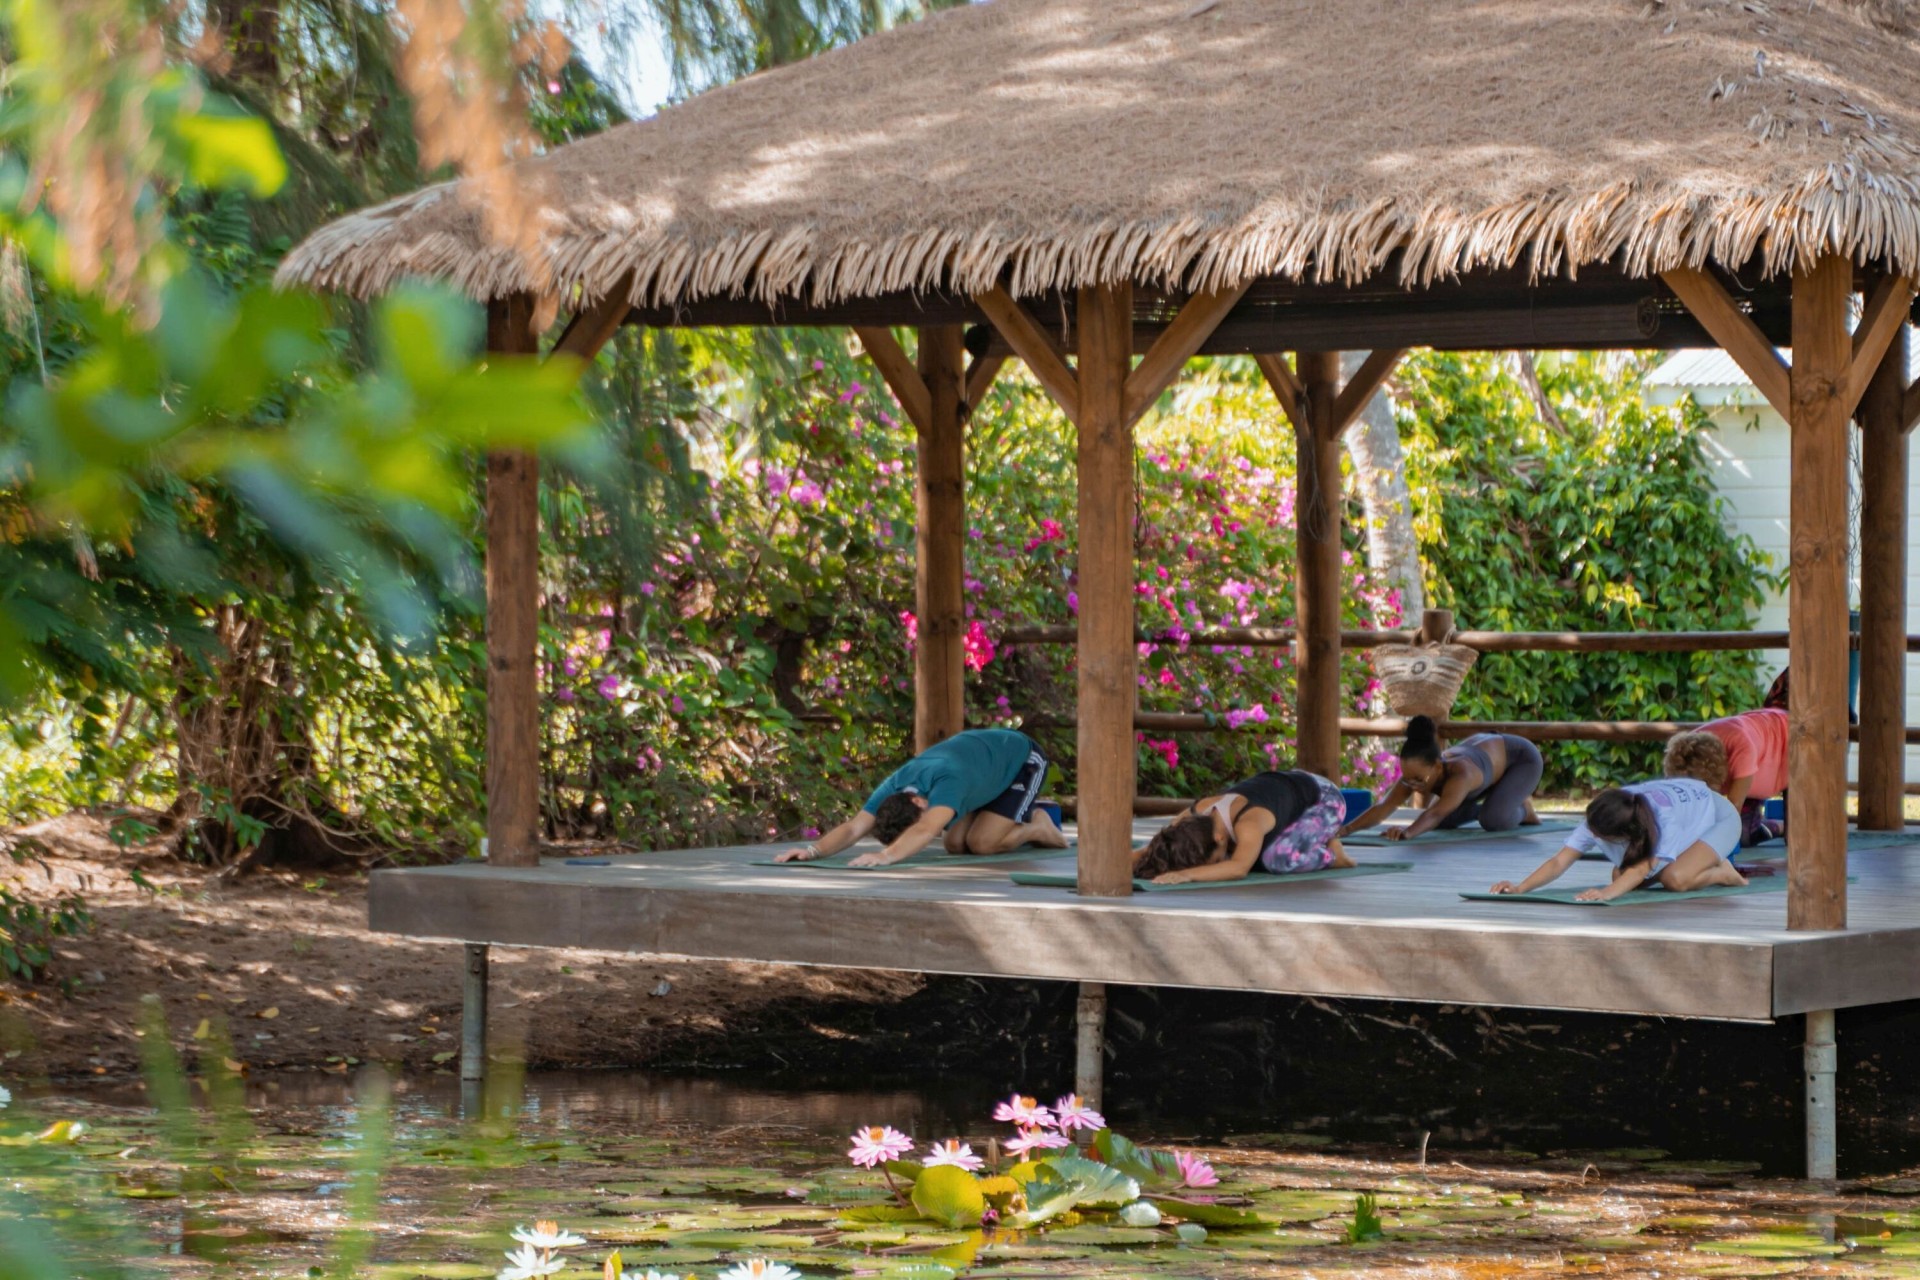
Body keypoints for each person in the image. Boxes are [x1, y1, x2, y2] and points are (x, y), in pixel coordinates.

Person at [774, 727, 1066, 867]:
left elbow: (925, 829)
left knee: (982, 843)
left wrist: (885, 856)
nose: (933, 825)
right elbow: (854, 827)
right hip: (982, 771)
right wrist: (812, 851)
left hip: (1020, 759)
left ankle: (1037, 826)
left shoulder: (947, 784)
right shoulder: (893, 786)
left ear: (917, 802)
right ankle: (1002, 817)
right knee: (955, 844)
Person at [1488, 777, 1745, 902]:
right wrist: (1520, 888)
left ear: (1624, 834)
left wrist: (1605, 894)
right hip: (1688, 814)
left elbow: (1640, 870)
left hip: (1719, 818)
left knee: (1675, 879)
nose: (1591, 834)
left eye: (1599, 835)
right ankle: (1695, 863)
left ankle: (1722, 873)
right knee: (1619, 876)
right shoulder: (1607, 813)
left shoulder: (1664, 822)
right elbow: (1559, 862)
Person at [1339, 715, 1543, 841]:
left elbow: (1435, 813)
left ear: (1438, 765)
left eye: (1418, 779)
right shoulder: (1418, 773)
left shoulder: (1461, 773)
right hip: (1487, 769)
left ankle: (1524, 810)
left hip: (1521, 760)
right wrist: (1345, 830)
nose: (1413, 785)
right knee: (1445, 820)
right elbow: (1385, 806)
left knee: (1493, 820)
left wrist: (1407, 833)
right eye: (1407, 779)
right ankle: (1500, 801)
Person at [1131, 769, 1353, 885]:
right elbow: (1157, 845)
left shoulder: (1249, 823)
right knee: (1254, 853)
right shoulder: (1196, 813)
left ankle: (1333, 855)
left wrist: (1186, 875)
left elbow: (1238, 868)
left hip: (1324, 799)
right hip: (1286, 788)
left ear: (1219, 838)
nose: (1218, 863)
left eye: (1216, 860)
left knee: (1276, 859)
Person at [1663, 708, 1789, 846]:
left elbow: (1732, 812)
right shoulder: (1685, 750)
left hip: (1788, 741)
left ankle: (1786, 826)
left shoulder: (1742, 750)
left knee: (1738, 833)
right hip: (1755, 748)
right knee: (1745, 834)